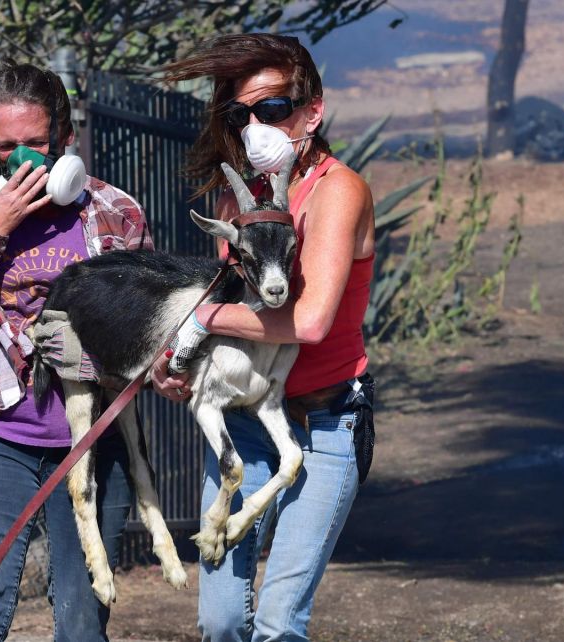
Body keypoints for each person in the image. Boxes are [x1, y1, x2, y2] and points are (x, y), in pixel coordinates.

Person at [0, 61, 152, 642]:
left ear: (65, 139)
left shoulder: (116, 213)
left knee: (81, 624)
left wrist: (79, 356)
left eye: (37, 145)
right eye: (8, 147)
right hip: (0, 437)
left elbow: (142, 342)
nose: (23, 161)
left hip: (95, 443)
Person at [158, 34, 377, 641]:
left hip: (327, 422)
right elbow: (229, 302)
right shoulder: (235, 201)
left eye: (272, 108)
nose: (256, 125)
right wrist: (179, 360)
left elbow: (307, 323)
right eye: (240, 114)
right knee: (222, 621)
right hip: (245, 421)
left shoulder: (339, 190)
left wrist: (200, 322)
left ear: (312, 111)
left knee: (280, 623)